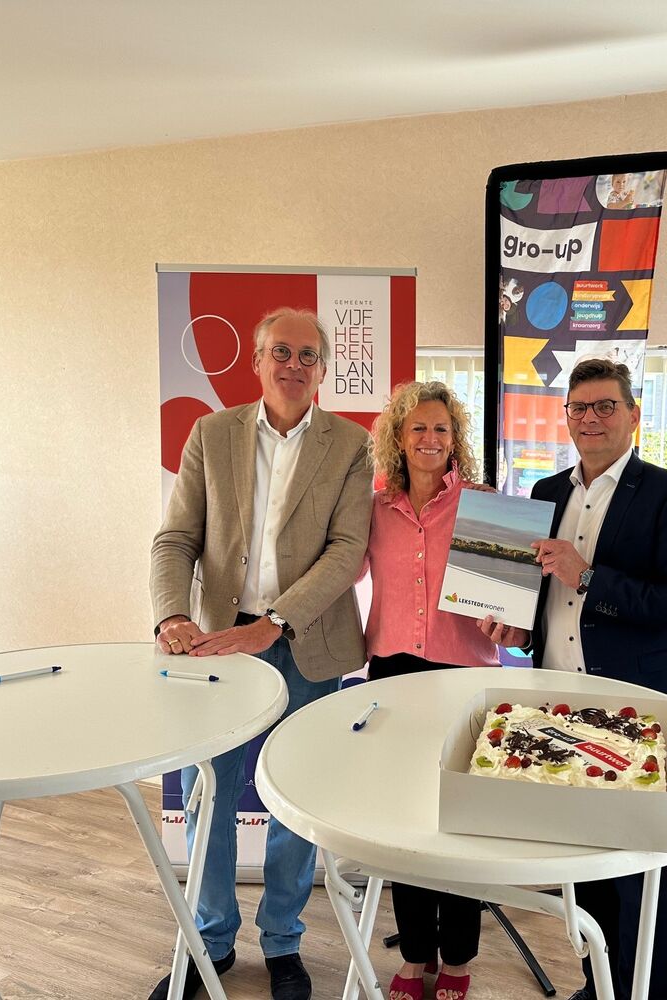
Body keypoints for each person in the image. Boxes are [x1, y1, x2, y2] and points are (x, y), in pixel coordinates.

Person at [149, 307, 373, 1000]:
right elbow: (176, 539)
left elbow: (347, 552)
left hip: (306, 645)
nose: (294, 365)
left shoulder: (351, 444)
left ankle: (283, 942)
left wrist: (274, 623)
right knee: (208, 796)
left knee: (292, 797)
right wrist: (172, 613)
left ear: (323, 368)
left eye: (308, 355)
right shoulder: (211, 433)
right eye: (281, 351)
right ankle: (211, 941)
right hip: (218, 644)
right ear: (256, 360)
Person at [527, 357, 667, 1000]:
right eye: (579, 407)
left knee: (639, 875)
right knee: (585, 870)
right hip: (560, 708)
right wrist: (515, 629)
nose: (591, 418)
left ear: (633, 415)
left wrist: (587, 575)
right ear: (566, 418)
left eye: (606, 406)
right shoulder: (545, 494)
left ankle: (649, 994)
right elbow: (543, 601)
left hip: (639, 712)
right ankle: (600, 985)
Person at [363, 380, 528, 1000]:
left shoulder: (485, 507)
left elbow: (511, 615)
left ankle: (457, 958)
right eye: (418, 428)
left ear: (455, 439)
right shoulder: (373, 509)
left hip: (466, 675)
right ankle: (415, 955)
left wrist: (511, 620)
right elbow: (339, 569)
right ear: (398, 439)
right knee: (405, 818)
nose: (430, 439)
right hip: (393, 673)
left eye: (441, 428)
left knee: (460, 820)